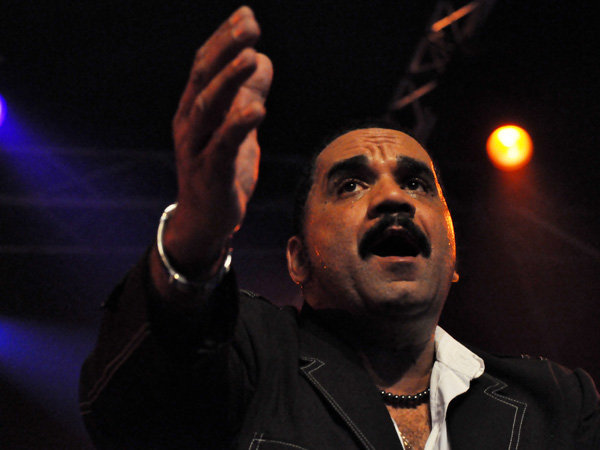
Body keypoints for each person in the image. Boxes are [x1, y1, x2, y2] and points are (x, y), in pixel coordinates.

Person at [79, 6, 600, 450]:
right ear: (298, 260)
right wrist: (196, 236)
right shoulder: (252, 354)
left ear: (454, 254)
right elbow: (131, 409)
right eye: (350, 185)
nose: (394, 197)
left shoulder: (557, 404)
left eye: (416, 183)